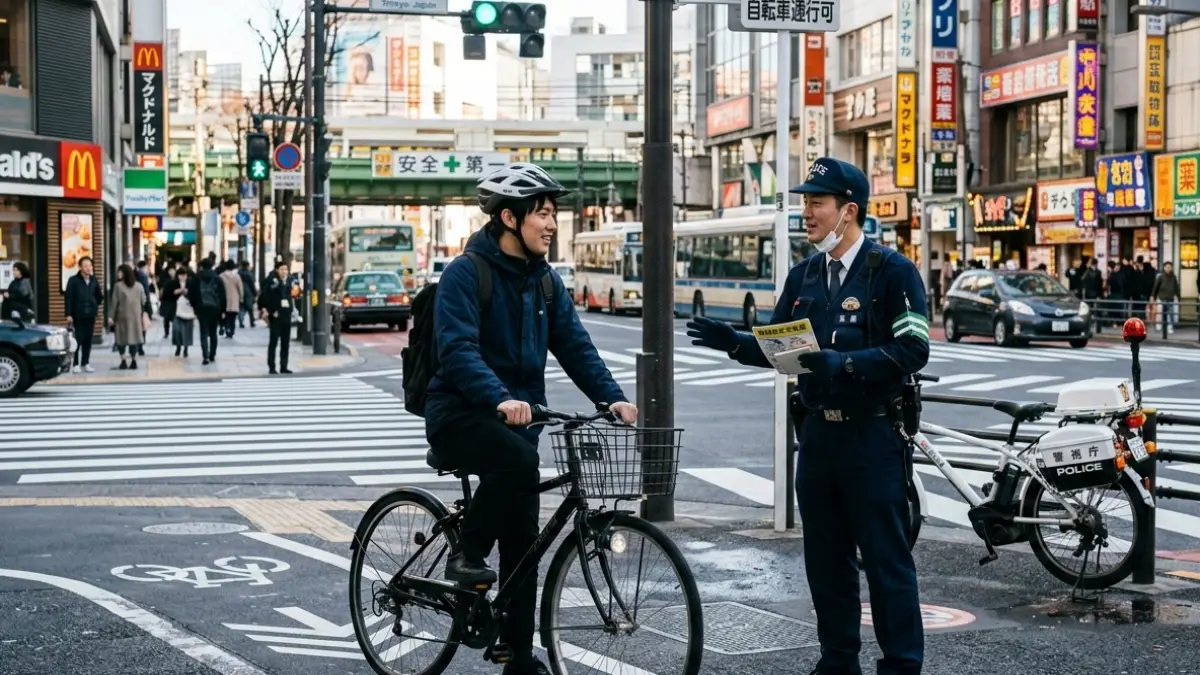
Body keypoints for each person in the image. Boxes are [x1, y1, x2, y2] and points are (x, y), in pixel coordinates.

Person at [686, 157, 928, 675]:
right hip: (817, 440)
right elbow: (781, 348)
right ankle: (837, 663)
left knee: (887, 563)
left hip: (872, 439)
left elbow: (913, 349)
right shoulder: (804, 276)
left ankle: (902, 666)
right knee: (825, 562)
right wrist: (736, 344)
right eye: (804, 202)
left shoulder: (891, 272)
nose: (806, 213)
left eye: (817, 203)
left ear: (849, 211)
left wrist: (846, 362)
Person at [424, 162, 638, 675]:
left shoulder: (544, 282)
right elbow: (456, 350)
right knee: (519, 464)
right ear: (508, 217)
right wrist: (498, 397)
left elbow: (576, 347)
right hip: (460, 415)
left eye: (552, 213)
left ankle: (517, 655)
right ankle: (465, 553)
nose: (551, 223)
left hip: (518, 424)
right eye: (541, 213)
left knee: (524, 542)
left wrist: (613, 397)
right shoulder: (464, 274)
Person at [65, 256, 103, 373]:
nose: (88, 268)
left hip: (90, 314)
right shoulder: (73, 280)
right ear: (80, 267)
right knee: (78, 339)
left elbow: (99, 296)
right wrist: (69, 314)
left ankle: (85, 362)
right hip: (78, 314)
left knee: (88, 339)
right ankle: (75, 363)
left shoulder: (93, 280)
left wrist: (94, 303)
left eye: (89, 265)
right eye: (85, 266)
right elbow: (69, 298)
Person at [258, 259, 294, 374]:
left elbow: (291, 297)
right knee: (273, 342)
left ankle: (284, 366)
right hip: (276, 315)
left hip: (286, 314)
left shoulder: (289, 281)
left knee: (285, 342)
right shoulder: (271, 282)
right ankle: (272, 367)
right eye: (282, 269)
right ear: (277, 270)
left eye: (286, 269)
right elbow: (266, 297)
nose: (284, 272)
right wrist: (271, 310)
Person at [193, 258, 226, 365]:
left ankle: (205, 356)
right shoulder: (217, 278)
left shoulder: (197, 278)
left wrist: (195, 307)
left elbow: (192, 295)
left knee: (203, 332)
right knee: (213, 333)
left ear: (201, 266)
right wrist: (223, 310)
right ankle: (212, 354)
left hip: (202, 309)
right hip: (215, 308)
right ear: (212, 266)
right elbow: (222, 296)